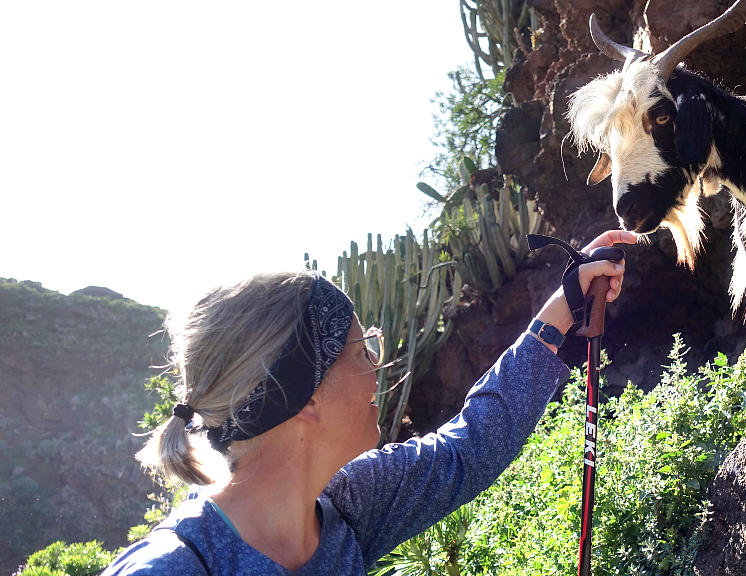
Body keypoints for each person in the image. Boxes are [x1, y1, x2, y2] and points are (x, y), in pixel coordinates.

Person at [103, 230, 637, 575]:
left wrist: (563, 307)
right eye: (363, 350)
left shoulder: (348, 506)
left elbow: (470, 447)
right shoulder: (172, 568)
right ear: (305, 398)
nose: (380, 367)